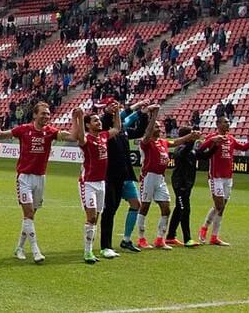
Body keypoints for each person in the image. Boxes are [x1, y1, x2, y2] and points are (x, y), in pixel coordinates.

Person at [0, 100, 74, 264]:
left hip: (41, 178)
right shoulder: (24, 129)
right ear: (35, 114)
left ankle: (19, 248)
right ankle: (36, 251)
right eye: (43, 113)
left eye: (48, 113)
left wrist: (78, 119)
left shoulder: (51, 132)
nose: (47, 116)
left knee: (29, 217)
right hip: (24, 177)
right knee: (29, 214)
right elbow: (1, 135)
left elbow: (73, 137)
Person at [135, 105, 200, 249]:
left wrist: (190, 136)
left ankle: (160, 239)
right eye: (157, 127)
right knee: (144, 207)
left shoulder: (163, 142)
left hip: (160, 178)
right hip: (148, 177)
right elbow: (147, 133)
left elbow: (176, 142)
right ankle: (141, 238)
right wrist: (154, 116)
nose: (159, 129)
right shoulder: (146, 142)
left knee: (166, 208)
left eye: (159, 127)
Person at [197, 116, 249, 246]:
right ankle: (204, 227)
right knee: (219, 205)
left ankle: (214, 237)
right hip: (215, 177)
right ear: (218, 124)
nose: (228, 124)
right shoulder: (212, 137)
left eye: (228, 122)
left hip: (228, 178)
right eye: (225, 122)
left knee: (222, 208)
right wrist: (212, 140)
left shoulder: (231, 139)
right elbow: (201, 149)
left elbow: (244, 148)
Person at [99, 100, 148, 256]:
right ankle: (105, 245)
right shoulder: (106, 130)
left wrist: (144, 114)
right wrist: (110, 112)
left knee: (129, 205)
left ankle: (123, 241)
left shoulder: (123, 132)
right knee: (109, 210)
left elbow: (140, 130)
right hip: (110, 176)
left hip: (124, 176)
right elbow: (106, 120)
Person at [73, 104, 114, 264]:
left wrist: (116, 113)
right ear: (88, 125)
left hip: (101, 182)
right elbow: (80, 137)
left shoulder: (103, 136)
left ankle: (90, 250)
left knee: (96, 217)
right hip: (88, 183)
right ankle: (87, 252)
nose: (99, 122)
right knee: (91, 217)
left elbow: (117, 128)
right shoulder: (86, 139)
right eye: (95, 120)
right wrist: (79, 117)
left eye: (99, 120)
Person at [165, 125, 210, 247]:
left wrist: (215, 145)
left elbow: (205, 156)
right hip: (180, 184)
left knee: (179, 208)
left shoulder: (191, 149)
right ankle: (187, 239)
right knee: (185, 209)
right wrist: (192, 140)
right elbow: (183, 153)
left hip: (187, 184)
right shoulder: (180, 148)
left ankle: (170, 236)